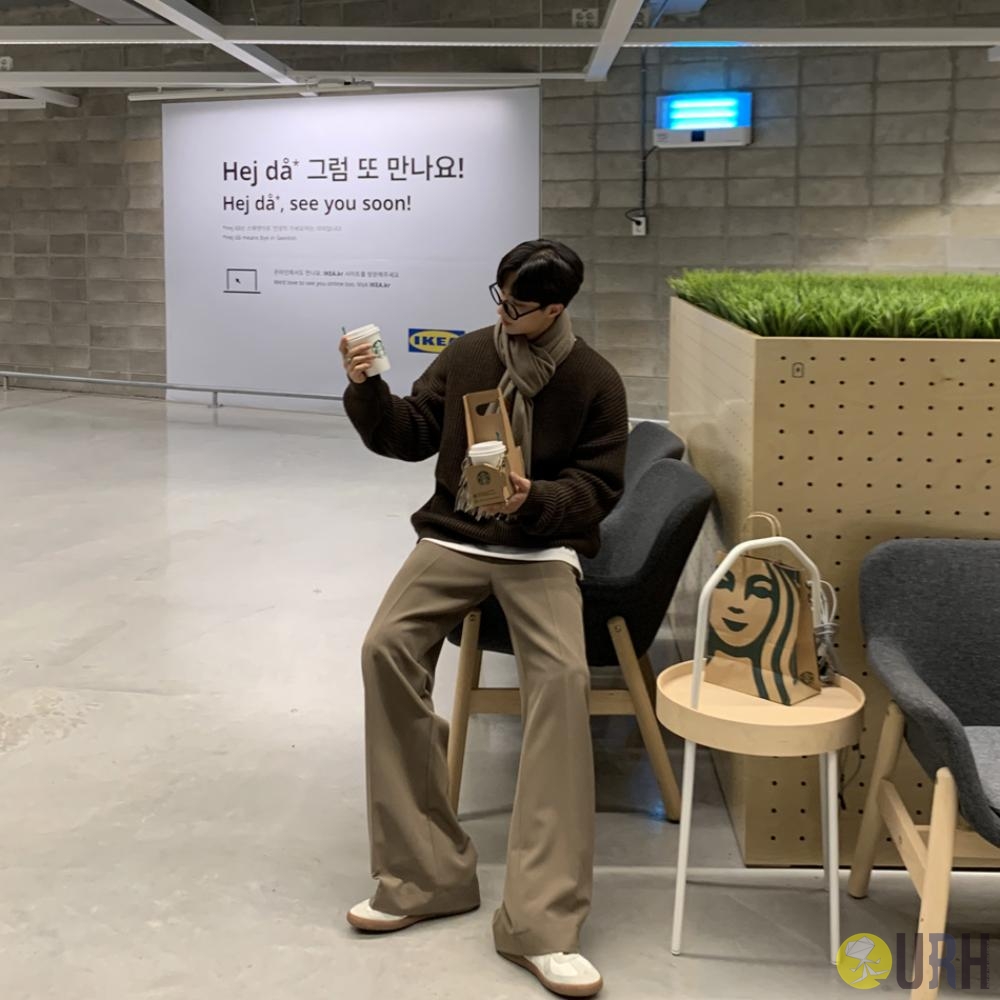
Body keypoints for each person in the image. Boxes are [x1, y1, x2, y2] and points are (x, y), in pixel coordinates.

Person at [339, 239, 627, 998]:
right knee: (384, 648)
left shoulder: (595, 379)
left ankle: (543, 923)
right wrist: (367, 386)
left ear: (556, 308)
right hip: (455, 535)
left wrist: (535, 498)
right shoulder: (469, 354)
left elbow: (600, 488)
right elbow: (408, 434)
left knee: (562, 683)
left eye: (518, 306)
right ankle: (424, 874)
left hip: (541, 550)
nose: (503, 313)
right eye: (498, 296)